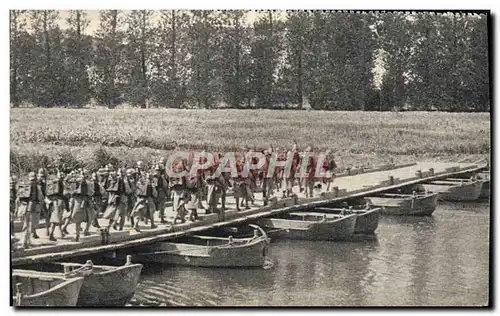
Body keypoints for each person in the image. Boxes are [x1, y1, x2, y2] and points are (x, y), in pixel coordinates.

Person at [15, 172, 44, 248]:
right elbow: (40, 198)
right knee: (28, 225)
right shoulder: (32, 187)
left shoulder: (30, 187)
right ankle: (25, 242)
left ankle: (27, 242)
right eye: (32, 179)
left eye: (33, 180)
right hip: (30, 208)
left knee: (29, 225)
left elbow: (18, 199)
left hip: (29, 207)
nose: (33, 181)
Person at [45, 170, 66, 241]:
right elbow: (62, 191)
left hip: (51, 201)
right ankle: (51, 235)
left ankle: (59, 232)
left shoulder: (48, 181)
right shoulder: (59, 181)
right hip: (58, 201)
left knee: (54, 218)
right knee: (56, 219)